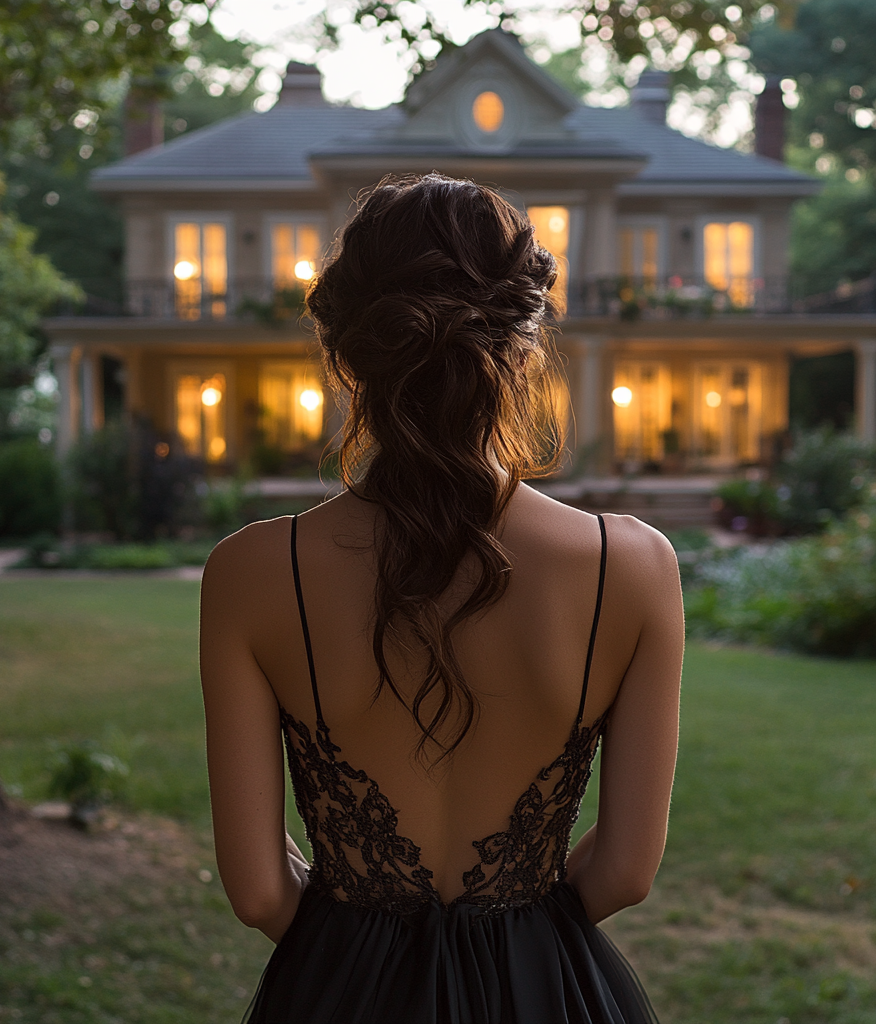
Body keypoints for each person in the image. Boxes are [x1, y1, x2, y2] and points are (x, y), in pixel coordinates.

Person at [199, 173, 684, 1024]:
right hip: (547, 991)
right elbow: (624, 873)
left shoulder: (249, 572)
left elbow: (256, 889)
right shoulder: (630, 564)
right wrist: (509, 946)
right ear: (526, 345)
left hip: (342, 994)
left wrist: (369, 951)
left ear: (346, 353)